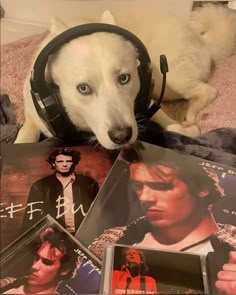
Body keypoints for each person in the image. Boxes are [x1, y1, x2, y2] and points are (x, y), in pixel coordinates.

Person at [89, 154, 236, 295]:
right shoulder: (112, 238)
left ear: (203, 188)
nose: (144, 198)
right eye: (138, 186)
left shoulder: (231, 249)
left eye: (161, 186)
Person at [21, 148, 99, 234]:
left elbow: (98, 213)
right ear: (53, 163)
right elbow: (31, 219)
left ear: (73, 162)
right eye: (60, 161)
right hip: (54, 236)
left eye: (68, 161)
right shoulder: (41, 185)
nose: (64, 164)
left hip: (84, 233)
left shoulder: (88, 183)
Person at [2, 226, 78, 294]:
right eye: (37, 258)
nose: (35, 266)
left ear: (65, 270)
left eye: (46, 262)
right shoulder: (7, 284)